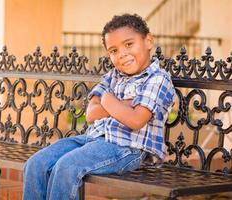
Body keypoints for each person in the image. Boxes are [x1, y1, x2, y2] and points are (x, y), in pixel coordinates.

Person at [23, 13, 175, 200]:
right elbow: (91, 114)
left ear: (148, 41)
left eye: (129, 44)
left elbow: (136, 120)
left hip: (127, 148)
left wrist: (109, 101)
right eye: (113, 50)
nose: (122, 54)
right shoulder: (113, 76)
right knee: (36, 163)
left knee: (67, 167)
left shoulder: (157, 78)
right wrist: (120, 106)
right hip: (92, 139)